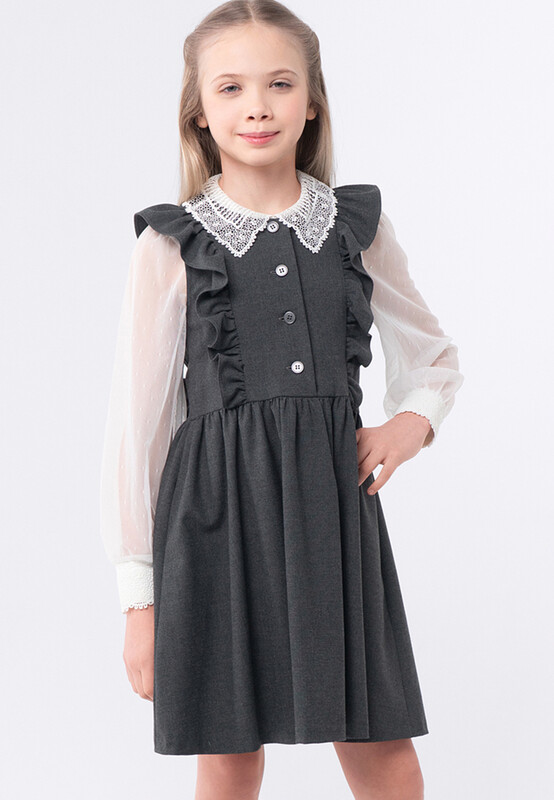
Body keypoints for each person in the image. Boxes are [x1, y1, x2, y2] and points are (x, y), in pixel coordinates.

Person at [99, 1, 464, 797]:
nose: (257, 106)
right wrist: (139, 603)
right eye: (230, 87)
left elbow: (434, 357)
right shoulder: (171, 243)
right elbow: (138, 428)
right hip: (214, 522)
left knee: (382, 748)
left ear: (313, 101)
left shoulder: (355, 226)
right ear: (200, 112)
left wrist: (409, 425)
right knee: (230, 755)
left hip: (334, 518)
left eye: (280, 83)